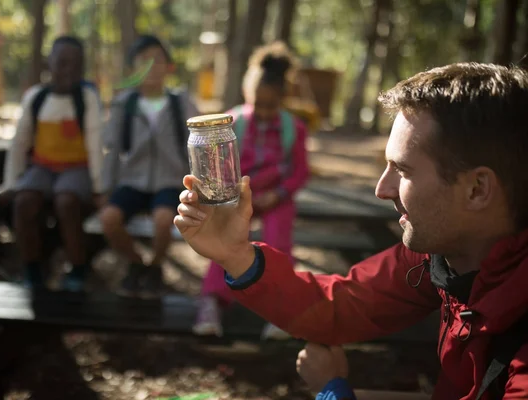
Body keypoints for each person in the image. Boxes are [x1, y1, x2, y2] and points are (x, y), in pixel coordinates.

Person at [174, 62, 528, 399]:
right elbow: (341, 306)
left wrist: (334, 393)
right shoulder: (441, 256)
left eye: (402, 171)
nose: (381, 189)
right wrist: (237, 255)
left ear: (477, 189)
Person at [192, 41, 309, 339]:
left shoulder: (292, 128)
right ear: (248, 95)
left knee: (278, 240)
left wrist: (279, 194)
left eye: (271, 105)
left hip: (276, 197)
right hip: (239, 194)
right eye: (259, 104)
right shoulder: (234, 124)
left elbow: (300, 172)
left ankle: (281, 306)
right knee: (225, 241)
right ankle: (213, 302)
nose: (264, 111)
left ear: (283, 99)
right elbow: (221, 164)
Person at [99, 34, 199, 298]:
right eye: (143, 61)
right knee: (109, 220)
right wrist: (104, 187)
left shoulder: (180, 103)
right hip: (132, 180)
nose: (151, 67)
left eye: (158, 60)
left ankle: (155, 266)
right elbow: (111, 148)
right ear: (133, 69)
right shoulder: (124, 104)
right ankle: (135, 263)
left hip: (169, 179)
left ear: (169, 66)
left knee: (164, 219)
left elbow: (197, 145)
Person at [2, 35, 104, 292]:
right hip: (42, 166)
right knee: (24, 201)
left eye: (75, 63)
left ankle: (77, 267)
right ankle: (32, 269)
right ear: (50, 63)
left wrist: (99, 187)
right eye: (62, 62)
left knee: (67, 201)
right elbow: (20, 142)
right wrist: (12, 183)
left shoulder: (86, 98)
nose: (67, 69)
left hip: (76, 167)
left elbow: (94, 143)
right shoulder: (36, 98)